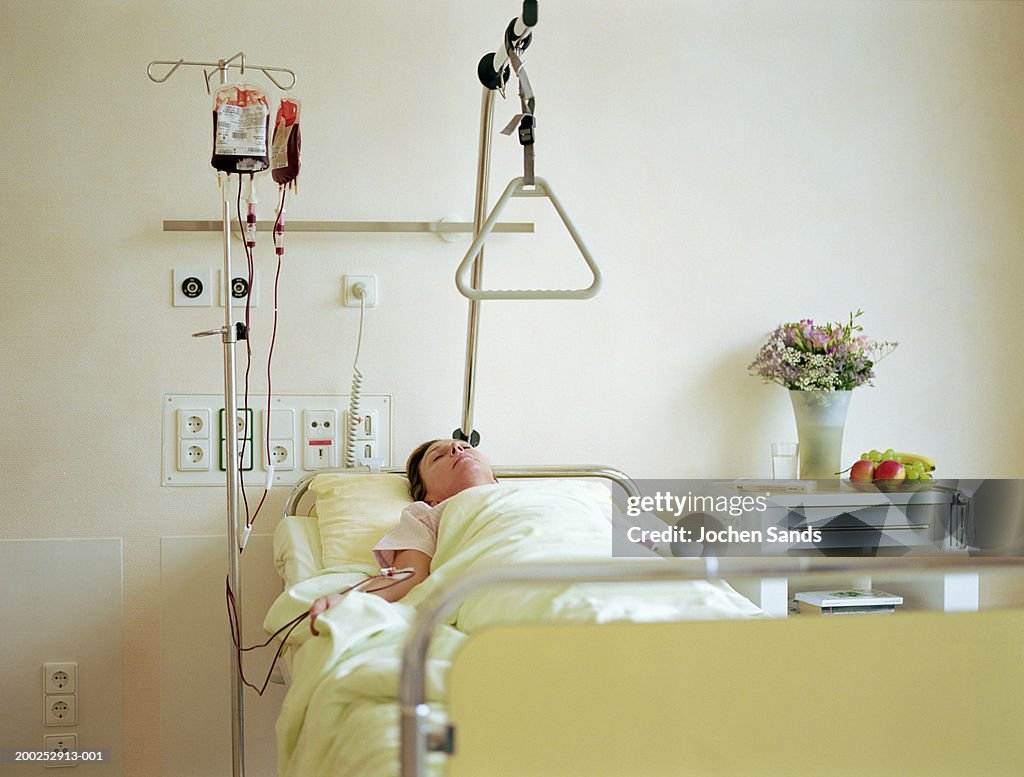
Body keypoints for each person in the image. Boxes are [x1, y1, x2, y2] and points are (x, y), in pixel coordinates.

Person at [309, 439, 497, 634]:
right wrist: (349, 600)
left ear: (495, 480)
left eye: (465, 447)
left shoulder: (527, 494)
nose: (456, 448)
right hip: (499, 584)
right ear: (429, 497)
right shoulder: (428, 514)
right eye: (438, 457)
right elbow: (408, 575)